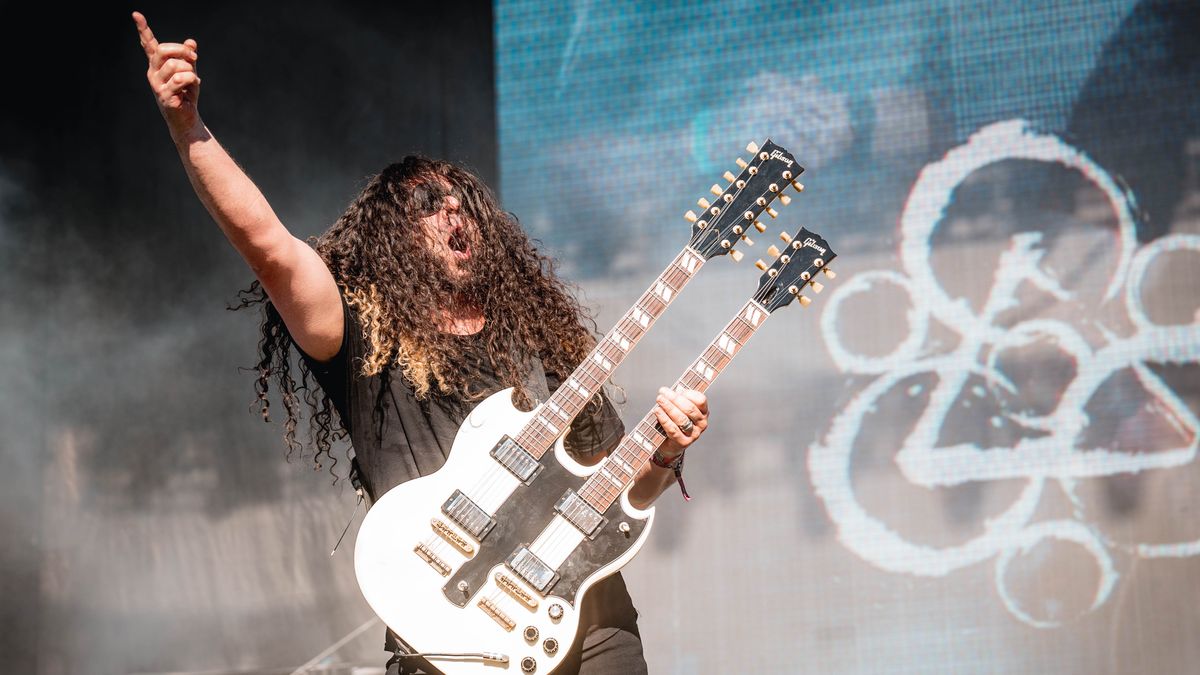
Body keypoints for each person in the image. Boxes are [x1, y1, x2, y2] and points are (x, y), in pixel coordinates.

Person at [132, 11, 710, 674]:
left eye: (462, 199)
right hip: (451, 637)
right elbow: (267, 247)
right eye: (430, 203)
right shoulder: (363, 336)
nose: (454, 210)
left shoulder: (541, 340)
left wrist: (666, 449)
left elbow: (617, 489)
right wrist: (189, 130)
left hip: (588, 620)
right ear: (392, 238)